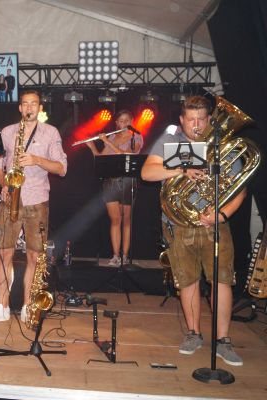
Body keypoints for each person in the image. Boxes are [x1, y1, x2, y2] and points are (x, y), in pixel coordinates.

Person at [141, 95, 244, 366]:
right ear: (182, 120)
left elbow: (240, 188)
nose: (196, 125)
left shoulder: (222, 145)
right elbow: (147, 173)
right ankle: (193, 333)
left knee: (222, 280)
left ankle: (223, 340)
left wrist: (222, 214)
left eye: (201, 119)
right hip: (178, 225)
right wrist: (180, 169)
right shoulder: (170, 141)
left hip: (214, 224)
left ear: (209, 119)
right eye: (191, 119)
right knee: (187, 281)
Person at [0, 90, 67, 323]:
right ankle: (2, 306)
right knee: (4, 253)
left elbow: (62, 168)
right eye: (25, 104)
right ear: (20, 108)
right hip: (10, 198)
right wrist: (4, 184)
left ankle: (27, 305)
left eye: (34, 104)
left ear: (40, 108)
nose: (29, 108)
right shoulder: (7, 132)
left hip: (37, 199)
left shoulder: (50, 132)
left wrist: (36, 160)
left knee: (34, 255)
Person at [85, 110, 143, 266]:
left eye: (127, 120)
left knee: (126, 220)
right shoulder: (112, 137)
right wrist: (92, 147)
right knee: (115, 219)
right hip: (110, 182)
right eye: (121, 121)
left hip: (127, 182)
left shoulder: (136, 137)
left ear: (132, 121)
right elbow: (101, 159)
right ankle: (116, 255)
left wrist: (107, 142)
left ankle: (125, 256)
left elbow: (127, 156)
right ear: (116, 123)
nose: (124, 124)